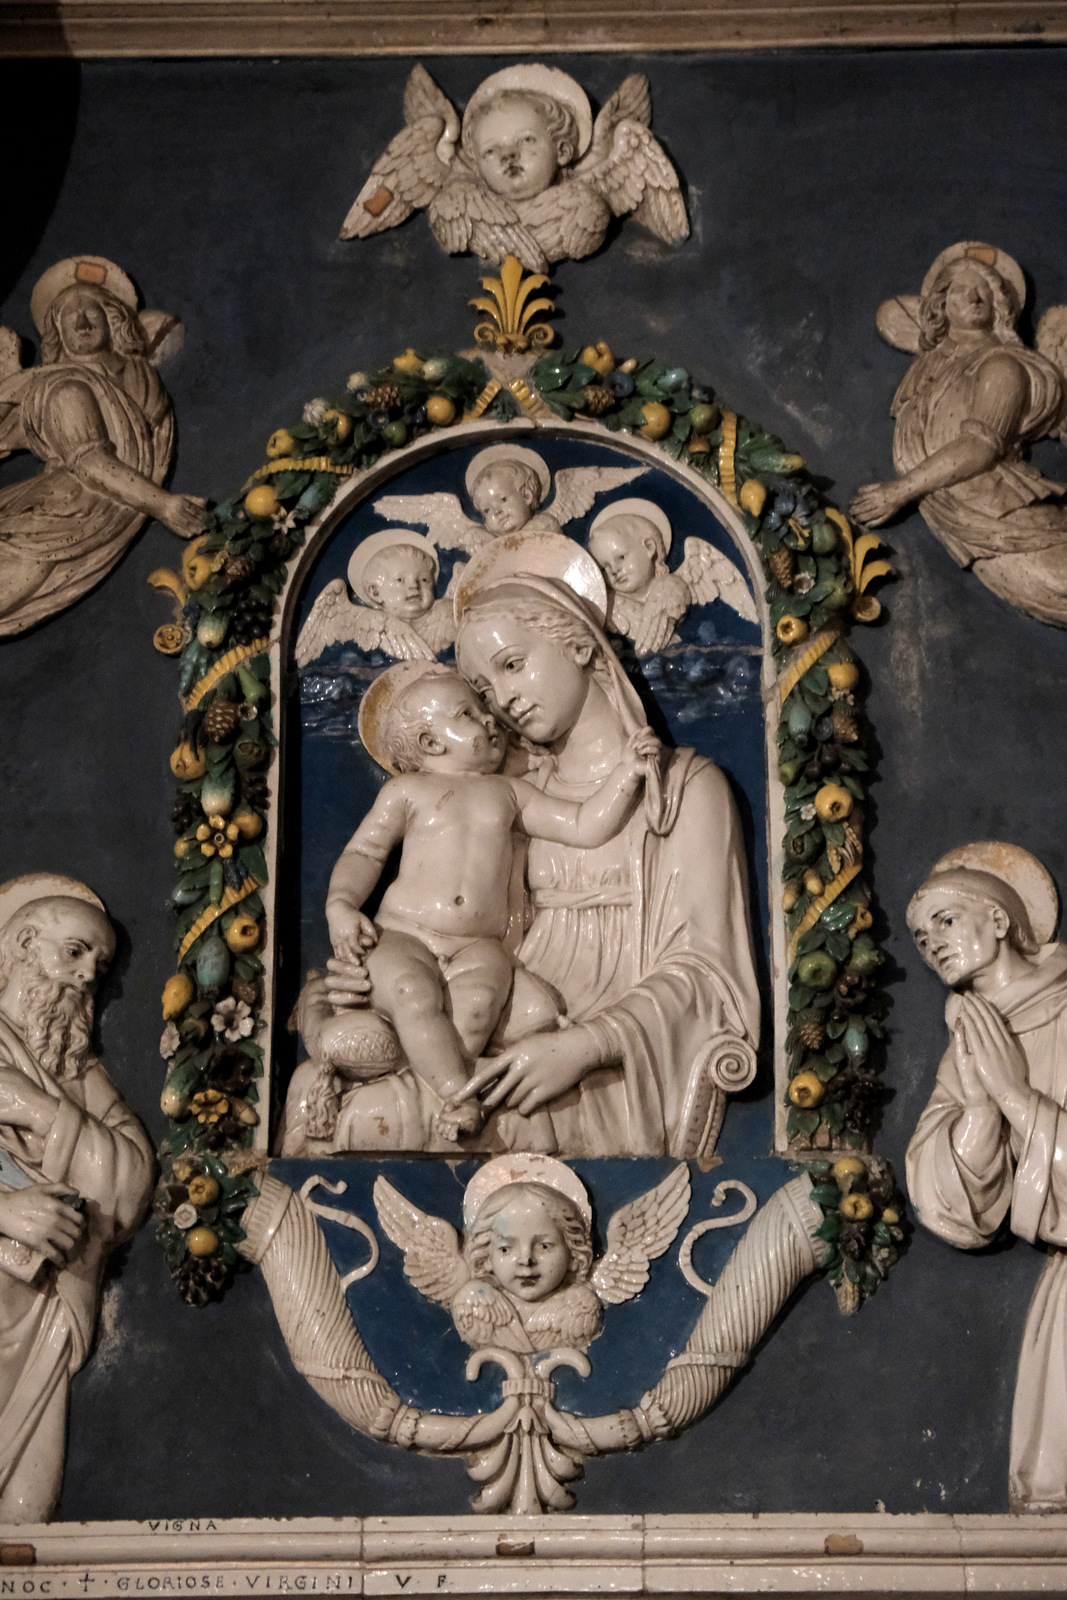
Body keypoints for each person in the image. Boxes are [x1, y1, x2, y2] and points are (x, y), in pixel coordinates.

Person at [324, 661, 657, 1142]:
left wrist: (627, 774)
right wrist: (341, 906)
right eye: (467, 713)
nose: (489, 718)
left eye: (483, 709)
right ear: (430, 744)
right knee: (413, 993)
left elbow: (581, 825)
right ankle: (456, 1095)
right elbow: (365, 853)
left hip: (479, 944)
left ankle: (444, 1080)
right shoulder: (408, 791)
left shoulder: (510, 793)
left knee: (478, 1006)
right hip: (403, 933)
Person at [904, 844, 1067, 1510]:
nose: (932, 945)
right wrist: (979, 1108)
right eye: (920, 939)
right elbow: (946, 1201)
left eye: (944, 921)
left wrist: (1016, 1098)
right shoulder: (968, 1040)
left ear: (998, 920)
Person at [0, 881, 154, 1522]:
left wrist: (40, 1111)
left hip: (48, 1307)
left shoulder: (78, 1073)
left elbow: (131, 1181)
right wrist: (5, 1212)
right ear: (22, 945)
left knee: (26, 1514)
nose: (88, 975)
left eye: (100, 964)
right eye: (75, 952)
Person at [849, 244, 1067, 626]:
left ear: (999, 306)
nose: (975, 297)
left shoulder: (1002, 365)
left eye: (985, 290)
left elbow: (980, 447)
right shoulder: (929, 372)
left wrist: (897, 493)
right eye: (962, 289)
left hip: (1004, 515)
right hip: (963, 516)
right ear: (941, 304)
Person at [0, 257, 205, 637]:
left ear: (114, 319)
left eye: (91, 311)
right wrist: (163, 505)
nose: (82, 322)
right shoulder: (62, 388)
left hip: (97, 514)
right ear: (58, 334)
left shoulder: (140, 378)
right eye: (70, 318)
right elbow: (90, 462)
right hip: (54, 518)